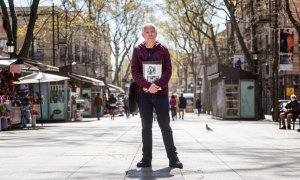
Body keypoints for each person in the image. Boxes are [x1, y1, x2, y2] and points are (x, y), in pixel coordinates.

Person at [131, 23, 183, 168]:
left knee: (165, 126)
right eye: (147, 32)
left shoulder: (163, 49)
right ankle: (146, 159)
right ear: (143, 34)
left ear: (156, 33)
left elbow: (168, 70)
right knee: (146, 127)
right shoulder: (137, 49)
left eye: (152, 31)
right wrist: (148, 86)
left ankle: (173, 158)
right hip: (144, 94)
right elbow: (135, 72)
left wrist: (158, 85)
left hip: (161, 94)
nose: (150, 34)